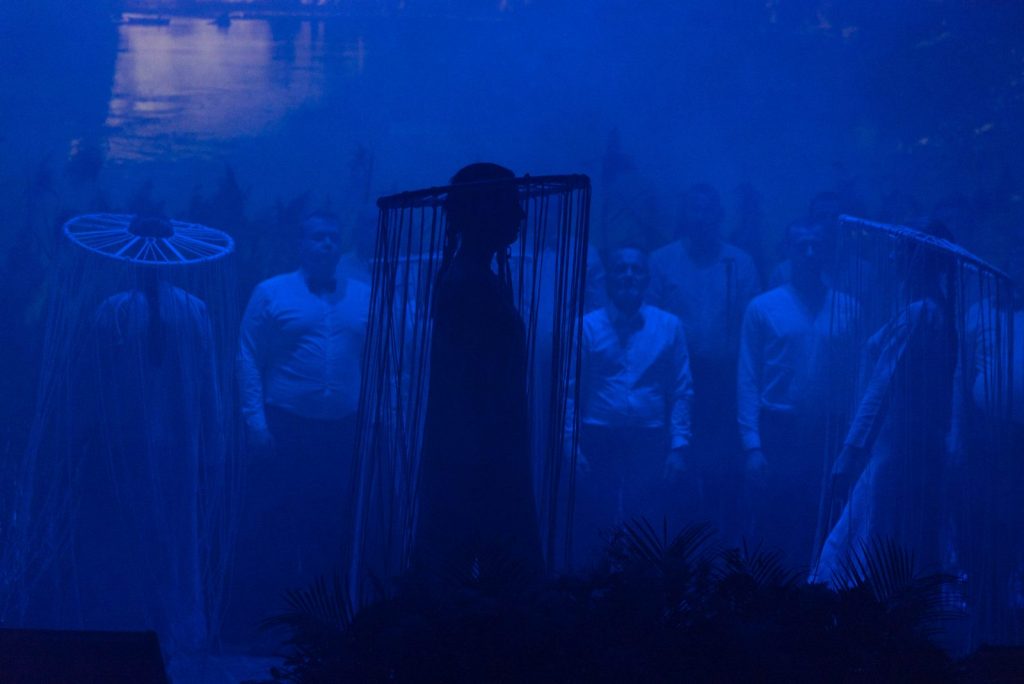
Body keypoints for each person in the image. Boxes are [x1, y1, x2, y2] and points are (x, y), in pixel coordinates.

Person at [231, 212, 370, 646]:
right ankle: (263, 628)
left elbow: (383, 357)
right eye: (318, 237)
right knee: (274, 523)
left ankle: (323, 630)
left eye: (334, 238)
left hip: (342, 431)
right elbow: (247, 356)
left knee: (330, 526)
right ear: (301, 245)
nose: (327, 244)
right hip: (286, 426)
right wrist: (255, 423)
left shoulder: (363, 295)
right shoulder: (270, 292)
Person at [411, 163, 543, 580]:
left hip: (480, 445)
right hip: (479, 451)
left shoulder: (473, 277)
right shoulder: (469, 283)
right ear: (486, 211)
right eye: (510, 204)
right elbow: (470, 381)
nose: (520, 215)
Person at [814, 221, 958, 581]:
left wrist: (850, 452)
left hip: (895, 448)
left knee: (869, 533)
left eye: (897, 250)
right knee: (880, 531)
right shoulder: (930, 310)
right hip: (902, 445)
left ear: (916, 259)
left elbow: (882, 388)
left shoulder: (921, 312)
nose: (891, 257)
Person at [737, 221, 858, 570]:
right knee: (775, 520)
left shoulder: (849, 308)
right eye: (802, 245)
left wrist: (853, 442)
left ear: (828, 251)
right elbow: (748, 379)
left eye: (817, 244)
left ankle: (816, 595)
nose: (810, 252)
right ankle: (768, 595)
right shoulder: (763, 307)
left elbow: (856, 380)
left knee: (822, 520)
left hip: (828, 430)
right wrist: (752, 445)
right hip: (780, 427)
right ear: (788, 251)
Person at [570, 243, 693, 565]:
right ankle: (592, 587)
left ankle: (643, 590)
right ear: (608, 278)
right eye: (620, 268)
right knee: (594, 523)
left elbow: (681, 390)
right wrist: (571, 446)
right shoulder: (586, 327)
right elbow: (570, 391)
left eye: (636, 269)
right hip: (599, 436)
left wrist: (678, 447)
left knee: (647, 524)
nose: (628, 275)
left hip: (649, 437)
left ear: (647, 278)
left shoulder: (669, 326)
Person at [649, 183, 760, 533]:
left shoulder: (740, 262)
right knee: (675, 469)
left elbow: (753, 328)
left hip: (724, 383)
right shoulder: (661, 260)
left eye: (708, 210)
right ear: (684, 214)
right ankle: (676, 546)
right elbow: (650, 323)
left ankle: (721, 546)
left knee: (723, 472)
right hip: (673, 383)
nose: (701, 217)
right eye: (694, 209)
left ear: (720, 215)